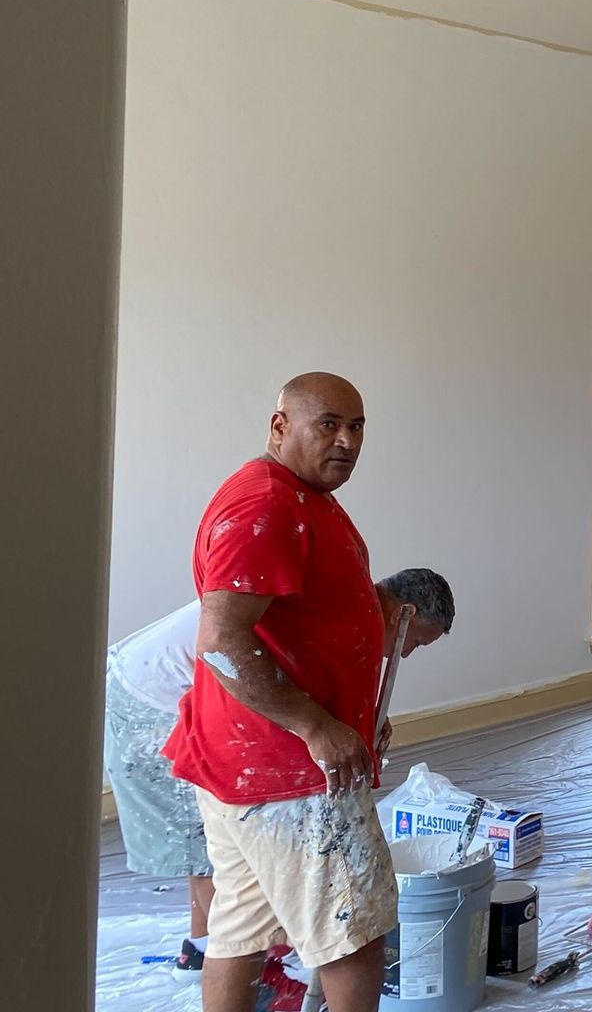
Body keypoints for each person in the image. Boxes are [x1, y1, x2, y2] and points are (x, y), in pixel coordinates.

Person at [160, 373, 401, 1012]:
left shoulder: (299, 495)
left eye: (357, 427)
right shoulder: (266, 505)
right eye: (328, 424)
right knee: (353, 935)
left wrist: (350, 711)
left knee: (238, 930)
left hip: (246, 762)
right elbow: (222, 641)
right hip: (286, 772)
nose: (347, 440)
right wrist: (317, 727)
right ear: (279, 427)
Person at [103, 567, 455, 973]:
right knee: (206, 842)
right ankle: (211, 952)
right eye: (414, 643)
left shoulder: (346, 602)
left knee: (215, 844)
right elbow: (252, 676)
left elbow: (300, 678)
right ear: (403, 614)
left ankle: (211, 946)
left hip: (180, 688)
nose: (406, 654)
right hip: (147, 698)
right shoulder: (340, 609)